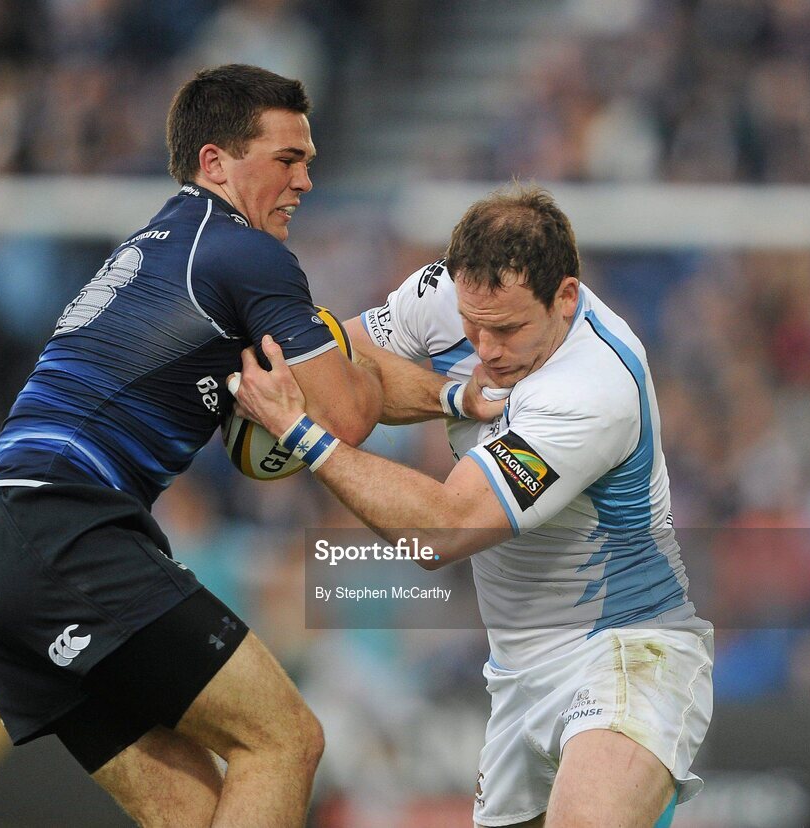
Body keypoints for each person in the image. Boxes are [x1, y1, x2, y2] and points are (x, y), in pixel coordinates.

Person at [0, 64, 383, 826]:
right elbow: (345, 414)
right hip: (67, 529)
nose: (306, 181)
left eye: (309, 160)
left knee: (194, 813)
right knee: (285, 741)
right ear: (215, 162)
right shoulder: (242, 253)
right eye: (287, 159)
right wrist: (416, 366)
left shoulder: (161, 245)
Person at [231, 184, 714, 828]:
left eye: (508, 329)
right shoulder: (450, 294)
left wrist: (302, 433)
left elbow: (444, 530)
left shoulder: (593, 388)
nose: (484, 349)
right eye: (471, 327)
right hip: (516, 670)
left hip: (626, 650)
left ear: (565, 297)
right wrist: (453, 397)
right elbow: (345, 368)